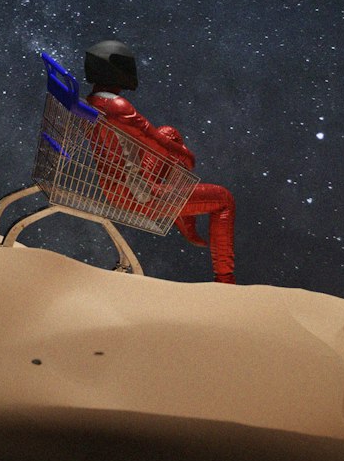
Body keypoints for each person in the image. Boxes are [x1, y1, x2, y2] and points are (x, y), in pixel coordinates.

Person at [83, 39, 236, 284]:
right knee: (224, 200)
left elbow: (153, 137)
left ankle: (183, 214)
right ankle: (225, 280)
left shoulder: (93, 102)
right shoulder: (117, 106)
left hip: (122, 181)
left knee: (169, 131)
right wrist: (187, 158)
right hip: (137, 194)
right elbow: (159, 146)